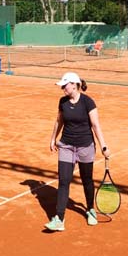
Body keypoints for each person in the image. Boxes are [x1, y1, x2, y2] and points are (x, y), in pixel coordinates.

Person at [45, 71, 110, 232]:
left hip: (85, 146)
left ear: (74, 85)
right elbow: (59, 121)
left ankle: (90, 209)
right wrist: (53, 138)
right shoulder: (62, 102)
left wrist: (103, 146)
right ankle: (59, 218)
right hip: (66, 146)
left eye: (64, 86)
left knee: (86, 180)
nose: (62, 89)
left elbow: (95, 125)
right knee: (64, 181)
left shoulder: (88, 102)